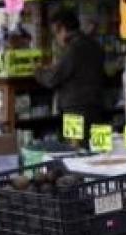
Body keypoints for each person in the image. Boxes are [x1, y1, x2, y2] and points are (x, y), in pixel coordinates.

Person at [35, 8, 106, 146]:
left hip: (75, 110)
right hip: (97, 107)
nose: (56, 38)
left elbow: (52, 79)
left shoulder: (73, 49)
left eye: (55, 33)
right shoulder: (95, 46)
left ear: (61, 28)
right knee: (98, 149)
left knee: (76, 151)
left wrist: (38, 71)